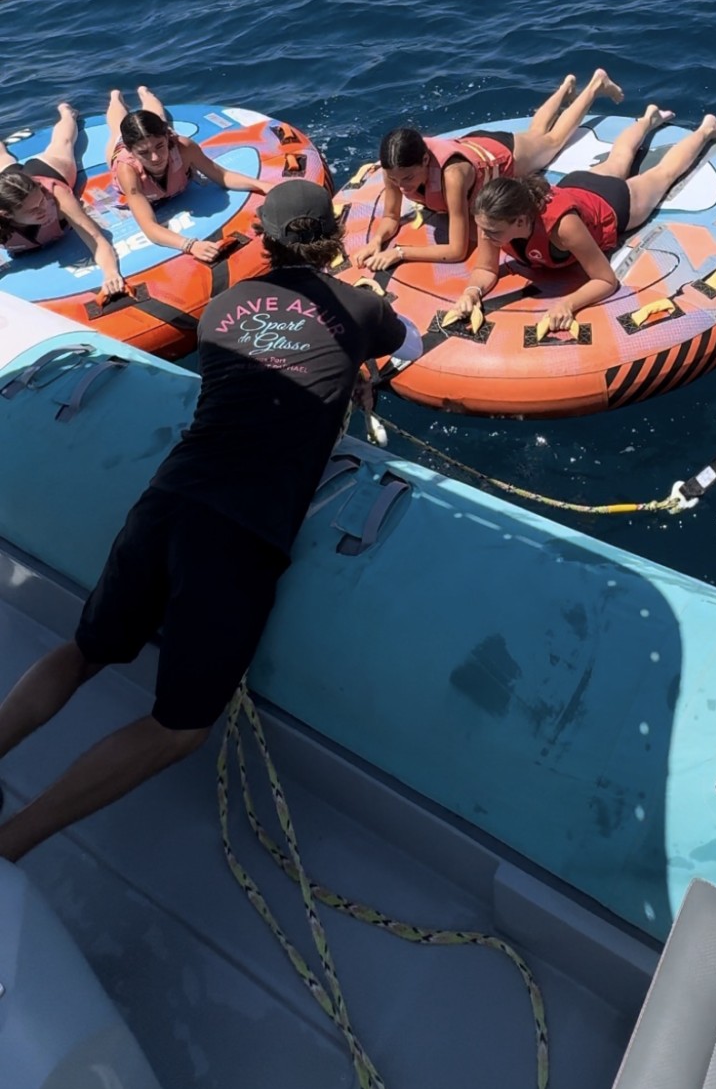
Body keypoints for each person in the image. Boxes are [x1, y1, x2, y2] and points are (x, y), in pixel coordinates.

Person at [0, 180, 420, 863]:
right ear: (332, 234)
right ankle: (11, 844)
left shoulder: (221, 307)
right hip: (239, 532)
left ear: (268, 237)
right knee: (180, 727)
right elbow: (400, 341)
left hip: (168, 496)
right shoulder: (360, 305)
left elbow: (262, 365)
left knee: (86, 652)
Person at [442, 106, 716, 332]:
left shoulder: (562, 227)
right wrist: (472, 292)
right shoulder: (491, 220)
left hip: (610, 201)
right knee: (619, 157)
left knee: (662, 175)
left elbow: (606, 280)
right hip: (575, 184)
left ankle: (706, 128)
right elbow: (486, 269)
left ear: (520, 221)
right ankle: (648, 118)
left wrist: (569, 304)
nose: (484, 236)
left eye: (492, 232)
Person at [360, 68, 625, 274]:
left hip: (500, 155)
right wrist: (378, 241)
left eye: (408, 178)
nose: (402, 186)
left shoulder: (452, 176)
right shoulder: (394, 168)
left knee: (551, 142)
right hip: (474, 145)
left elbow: (457, 250)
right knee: (536, 134)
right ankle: (565, 87)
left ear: (425, 161)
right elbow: (391, 216)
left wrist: (400, 252)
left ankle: (594, 86)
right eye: (396, 180)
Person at [107, 86, 267, 263]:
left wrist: (263, 185)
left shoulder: (182, 147)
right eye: (144, 153)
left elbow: (223, 176)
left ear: (167, 139)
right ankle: (115, 98)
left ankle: (145, 94)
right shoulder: (127, 170)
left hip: (164, 141)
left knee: (160, 119)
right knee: (116, 130)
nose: (155, 158)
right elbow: (149, 227)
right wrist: (190, 245)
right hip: (128, 156)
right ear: (131, 151)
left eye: (160, 147)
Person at [0, 101, 123, 298]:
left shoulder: (53, 194)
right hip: (8, 187)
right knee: (2, 160)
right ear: (6, 215)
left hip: (47, 172)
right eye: (33, 210)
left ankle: (66, 113)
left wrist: (110, 273)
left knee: (63, 143)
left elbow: (97, 240)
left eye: (40, 202)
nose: (42, 209)